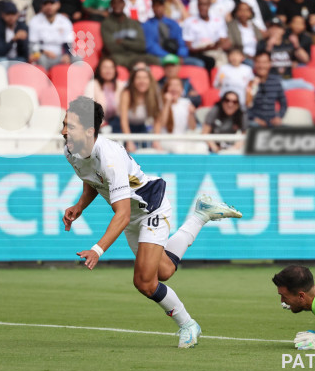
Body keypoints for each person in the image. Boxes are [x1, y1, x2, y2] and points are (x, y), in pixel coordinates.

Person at [61, 96, 242, 348]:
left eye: (70, 126)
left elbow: (122, 214)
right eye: (64, 124)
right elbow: (92, 179)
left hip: (149, 209)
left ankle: (188, 324)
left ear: (90, 131)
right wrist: (79, 206)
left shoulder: (109, 155)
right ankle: (201, 215)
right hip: (134, 215)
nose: (63, 131)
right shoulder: (71, 149)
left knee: (144, 282)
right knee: (164, 272)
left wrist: (97, 249)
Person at [102, 0, 158, 68]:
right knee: (113, 61)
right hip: (120, 57)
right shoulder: (106, 24)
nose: (117, 5)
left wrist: (123, 42)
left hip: (138, 55)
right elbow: (112, 48)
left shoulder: (134, 23)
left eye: (120, 2)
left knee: (156, 60)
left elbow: (142, 45)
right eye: (114, 2)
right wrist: (132, 45)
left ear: (124, 4)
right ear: (111, 5)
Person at [256, 16, 311, 90]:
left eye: (277, 27)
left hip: (288, 79)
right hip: (271, 81)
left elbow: (306, 60)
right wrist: (269, 46)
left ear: (283, 30)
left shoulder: (288, 43)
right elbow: (259, 63)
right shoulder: (262, 44)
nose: (274, 30)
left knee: (309, 87)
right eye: (272, 27)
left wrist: (296, 45)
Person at [182, 0, 228, 72]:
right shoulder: (189, 22)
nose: (203, 7)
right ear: (197, 6)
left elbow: (223, 41)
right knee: (210, 61)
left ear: (209, 5)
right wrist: (205, 48)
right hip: (199, 53)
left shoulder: (219, 20)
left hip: (216, 51)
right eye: (201, 4)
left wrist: (215, 46)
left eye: (205, 4)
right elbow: (189, 48)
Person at [118, 65, 162, 150]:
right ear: (133, 81)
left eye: (145, 78)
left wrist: (156, 140)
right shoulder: (127, 93)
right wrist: (129, 141)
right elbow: (124, 120)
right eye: (138, 78)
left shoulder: (154, 93)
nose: (142, 81)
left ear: (150, 80)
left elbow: (157, 120)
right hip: (123, 127)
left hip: (141, 127)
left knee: (147, 149)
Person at [143, 0, 194, 64]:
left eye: (160, 5)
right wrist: (167, 56)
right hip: (159, 56)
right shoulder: (147, 25)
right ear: (152, 7)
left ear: (164, 6)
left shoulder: (173, 23)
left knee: (198, 63)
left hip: (176, 55)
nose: (158, 8)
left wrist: (180, 54)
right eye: (155, 5)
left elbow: (181, 43)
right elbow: (151, 46)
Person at [28, 0, 73, 69]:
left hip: (60, 55)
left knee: (78, 58)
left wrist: (66, 54)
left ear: (58, 4)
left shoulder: (65, 21)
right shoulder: (35, 21)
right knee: (38, 58)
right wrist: (43, 51)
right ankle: (42, 80)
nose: (49, 6)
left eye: (52, 3)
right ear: (42, 6)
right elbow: (32, 44)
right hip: (42, 54)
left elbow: (68, 43)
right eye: (46, 3)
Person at [154, 77, 200, 153]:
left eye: (177, 85)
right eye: (171, 85)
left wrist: (191, 114)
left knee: (201, 147)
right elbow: (162, 123)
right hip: (166, 140)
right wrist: (167, 103)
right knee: (179, 149)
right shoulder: (161, 103)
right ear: (166, 89)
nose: (174, 88)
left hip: (183, 139)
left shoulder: (186, 102)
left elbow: (192, 127)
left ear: (182, 90)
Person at [84, 56, 126, 130]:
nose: (108, 70)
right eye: (105, 67)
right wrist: (103, 124)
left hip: (116, 124)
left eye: (111, 68)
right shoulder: (92, 85)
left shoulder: (120, 85)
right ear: (99, 70)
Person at [246, 51, 286, 127]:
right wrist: (254, 118)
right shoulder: (250, 82)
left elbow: (284, 103)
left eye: (264, 62)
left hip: (272, 121)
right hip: (255, 122)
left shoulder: (276, 81)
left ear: (269, 64)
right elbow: (245, 106)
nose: (261, 66)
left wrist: (278, 117)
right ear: (254, 64)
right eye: (258, 62)